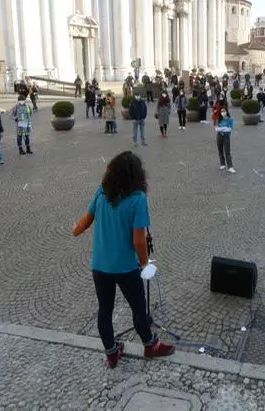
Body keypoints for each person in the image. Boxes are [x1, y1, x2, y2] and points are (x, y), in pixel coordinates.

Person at [71, 151, 175, 369]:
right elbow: (139, 240)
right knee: (138, 308)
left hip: (100, 266)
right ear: (137, 175)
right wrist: (145, 264)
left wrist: (76, 229)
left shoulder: (101, 192)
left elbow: (84, 222)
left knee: (104, 310)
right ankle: (150, 345)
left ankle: (111, 352)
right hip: (126, 267)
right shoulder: (138, 199)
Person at [214, 106, 235, 173]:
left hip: (226, 137)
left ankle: (230, 167)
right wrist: (224, 128)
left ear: (226, 112)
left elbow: (229, 129)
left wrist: (221, 128)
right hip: (219, 136)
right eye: (222, 111)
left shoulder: (230, 119)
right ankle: (222, 164)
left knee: (227, 151)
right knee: (220, 150)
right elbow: (216, 129)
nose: (223, 112)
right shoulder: (218, 119)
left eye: (224, 111)